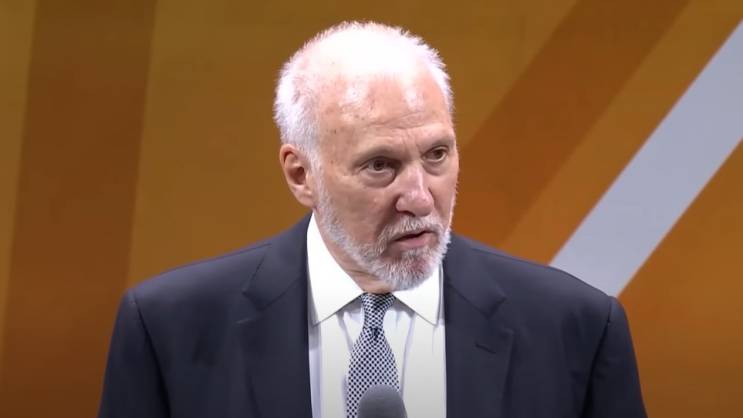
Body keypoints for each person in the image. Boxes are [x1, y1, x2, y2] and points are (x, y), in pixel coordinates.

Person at [98, 21, 646, 418]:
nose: (420, 198)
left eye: (436, 155)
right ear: (301, 174)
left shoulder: (576, 330)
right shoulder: (170, 329)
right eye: (381, 165)